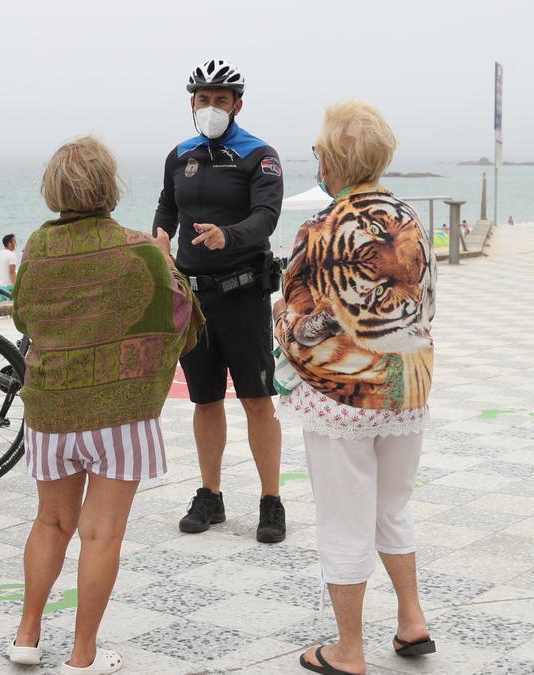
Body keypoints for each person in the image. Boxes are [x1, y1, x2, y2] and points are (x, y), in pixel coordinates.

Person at [9, 136, 203, 675]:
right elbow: (178, 315)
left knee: (50, 522)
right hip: (121, 412)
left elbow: (25, 318)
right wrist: (168, 263)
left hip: (52, 407)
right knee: (101, 533)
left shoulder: (36, 249)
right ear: (108, 186)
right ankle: (82, 654)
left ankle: (27, 635)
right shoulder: (138, 248)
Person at [275, 101, 437, 675]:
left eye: (320, 150)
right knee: (393, 506)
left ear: (338, 158)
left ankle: (348, 650)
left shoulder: (321, 227)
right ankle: (412, 619)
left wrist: (286, 333)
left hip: (342, 398)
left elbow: (296, 321)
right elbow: (428, 304)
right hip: (408, 390)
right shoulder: (410, 217)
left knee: (344, 518)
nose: (315, 159)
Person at [152, 59, 287, 542]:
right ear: (192, 103)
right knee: (204, 400)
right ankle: (210, 494)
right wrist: (161, 240)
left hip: (244, 294)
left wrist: (227, 237)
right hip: (195, 298)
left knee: (256, 400)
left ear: (238, 105)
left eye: (221, 100)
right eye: (203, 100)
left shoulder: (259, 154)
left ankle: (271, 500)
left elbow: (266, 218)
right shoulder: (180, 154)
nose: (211, 108)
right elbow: (168, 206)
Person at [0, 233, 18, 301]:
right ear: (9, 243)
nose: (16, 244)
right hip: (7, 287)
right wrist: (16, 288)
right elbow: (12, 272)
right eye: (14, 241)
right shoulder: (12, 255)